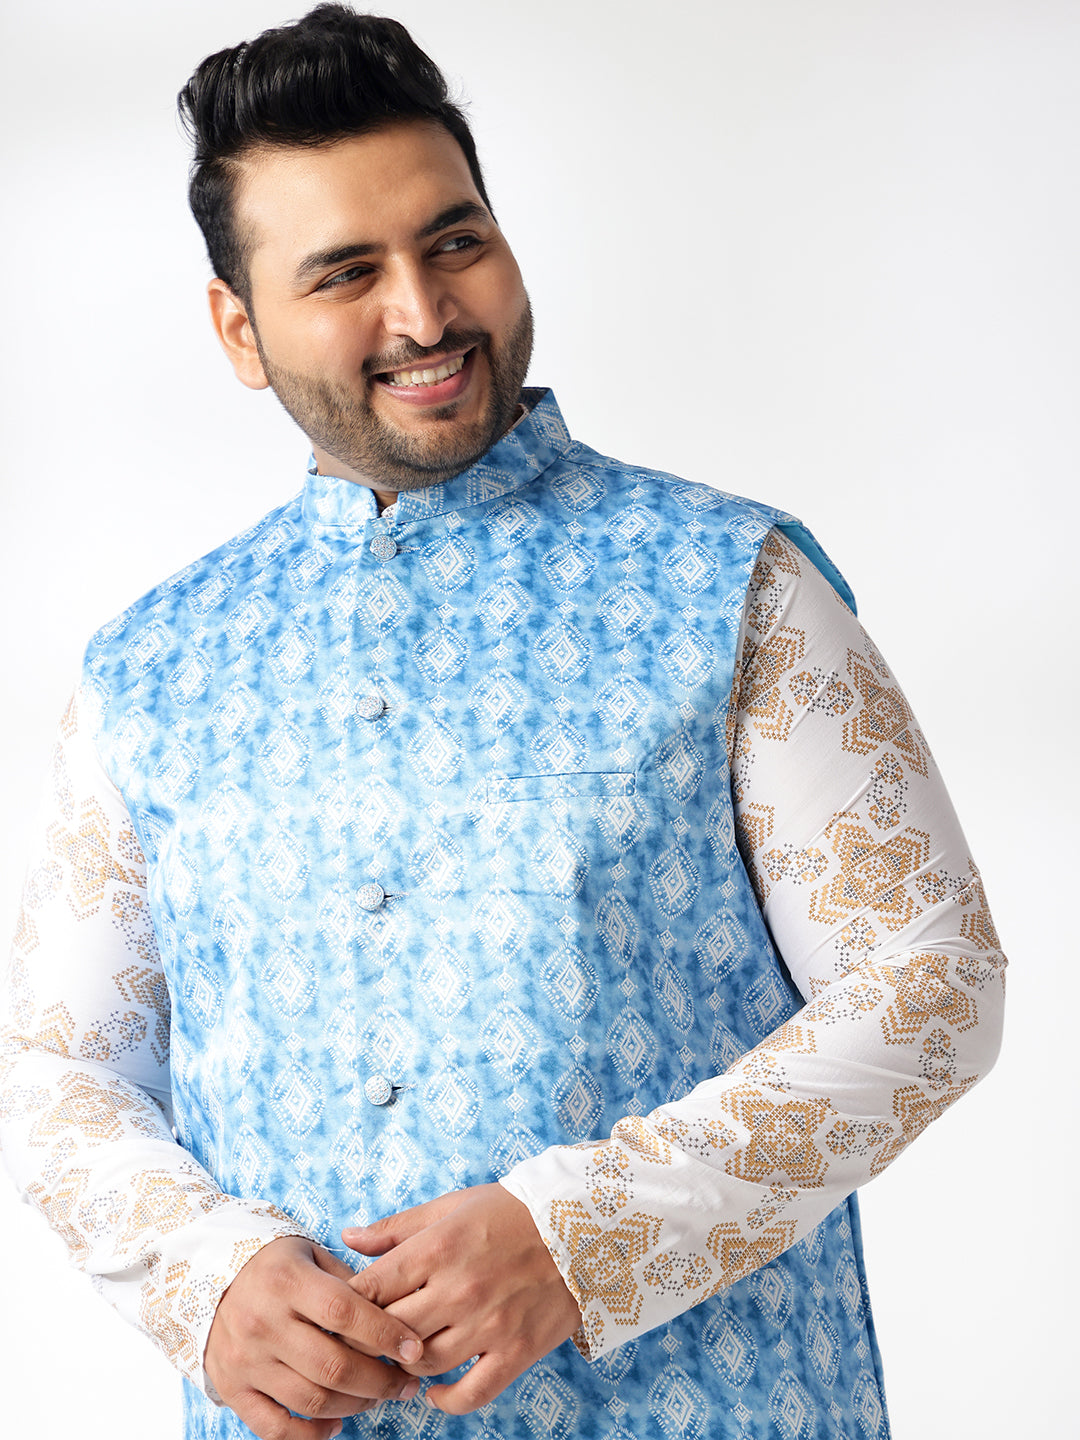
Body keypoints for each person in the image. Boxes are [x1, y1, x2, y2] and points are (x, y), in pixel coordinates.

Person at [0, 6, 1006, 1439]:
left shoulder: (732, 585)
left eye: (454, 241)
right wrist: (201, 1278)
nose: (424, 315)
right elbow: (62, 1070)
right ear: (239, 329)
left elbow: (931, 984)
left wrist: (587, 1236)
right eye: (346, 273)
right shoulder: (151, 669)